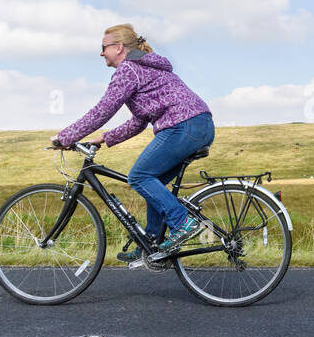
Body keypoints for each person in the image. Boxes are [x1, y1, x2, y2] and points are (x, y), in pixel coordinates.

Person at [53, 23, 214, 266]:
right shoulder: (144, 68)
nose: (101, 53)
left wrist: (66, 136)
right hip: (199, 125)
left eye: (103, 47)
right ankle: (150, 242)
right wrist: (105, 138)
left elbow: (103, 110)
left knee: (139, 176)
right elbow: (139, 121)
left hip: (183, 126)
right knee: (154, 180)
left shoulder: (129, 69)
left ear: (118, 47)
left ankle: (183, 224)